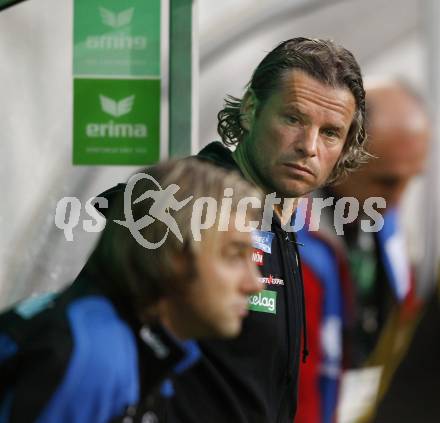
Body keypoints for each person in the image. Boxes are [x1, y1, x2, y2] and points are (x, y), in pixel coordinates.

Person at [151, 37, 368, 422]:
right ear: (251, 110)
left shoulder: (281, 220)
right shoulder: (185, 202)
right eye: (293, 119)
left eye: (331, 132)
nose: (309, 146)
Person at [0, 159, 262, 423]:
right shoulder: (94, 357)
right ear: (174, 255)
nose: (255, 283)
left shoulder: (121, 337)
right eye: (234, 256)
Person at [295, 79, 430, 422]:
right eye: (386, 181)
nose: (398, 197)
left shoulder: (388, 223)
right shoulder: (289, 233)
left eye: (411, 179)